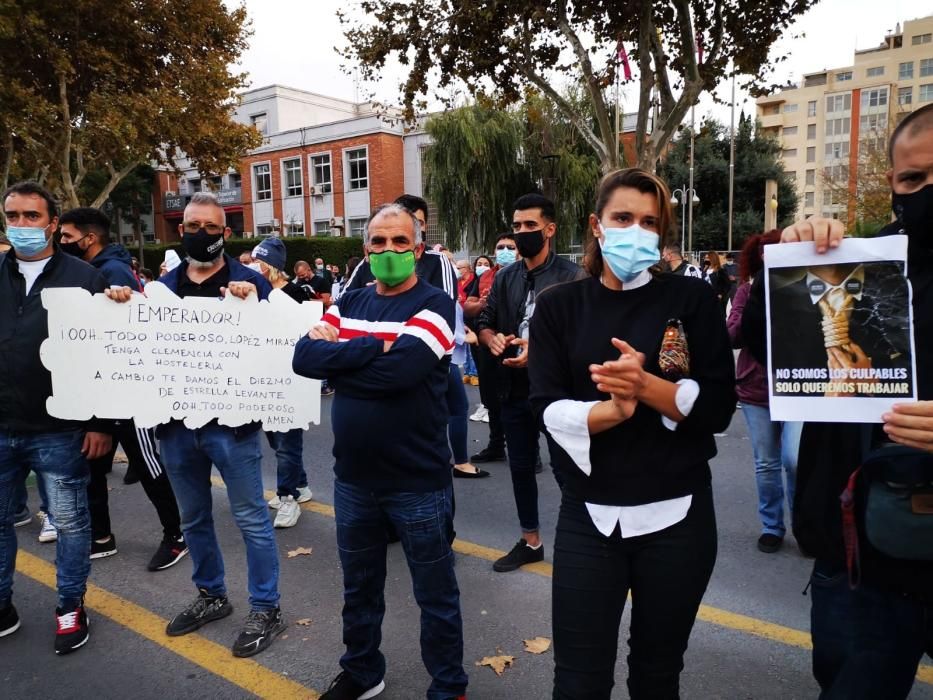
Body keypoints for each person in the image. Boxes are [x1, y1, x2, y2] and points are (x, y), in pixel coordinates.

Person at [741, 103, 933, 700]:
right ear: (893, 186)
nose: (926, 192)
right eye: (912, 180)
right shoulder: (860, 259)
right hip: (857, 559)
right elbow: (756, 340)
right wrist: (789, 267)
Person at [528, 168, 735, 698]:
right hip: (589, 516)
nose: (636, 231)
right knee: (578, 680)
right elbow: (545, 407)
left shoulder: (691, 300)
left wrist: (645, 386)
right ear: (597, 226)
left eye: (650, 221)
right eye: (623, 218)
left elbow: (718, 407)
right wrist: (611, 412)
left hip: (680, 518)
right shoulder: (558, 306)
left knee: (658, 673)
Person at [293, 202, 467, 700]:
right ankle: (362, 671)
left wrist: (343, 357)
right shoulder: (351, 299)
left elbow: (402, 374)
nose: (388, 250)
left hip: (418, 481)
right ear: (365, 249)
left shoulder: (437, 305)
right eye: (377, 242)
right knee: (359, 589)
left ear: (417, 248)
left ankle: (449, 685)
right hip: (352, 480)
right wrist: (376, 347)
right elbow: (304, 357)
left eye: (398, 242)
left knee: (436, 595)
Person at [107, 192, 285, 658]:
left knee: (250, 519)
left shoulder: (252, 282)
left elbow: (276, 346)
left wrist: (254, 303)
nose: (199, 234)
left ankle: (266, 607)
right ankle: (212, 596)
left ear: (225, 234)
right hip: (175, 426)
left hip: (234, 427)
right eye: (191, 226)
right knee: (193, 518)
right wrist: (119, 304)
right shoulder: (159, 290)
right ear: (180, 229)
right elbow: (135, 342)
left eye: (209, 227)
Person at [0, 181, 113, 653]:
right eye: (13, 216)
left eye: (31, 216)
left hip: (60, 430)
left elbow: (107, 357)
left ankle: (70, 606)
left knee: (70, 524)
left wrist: (102, 423)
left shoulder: (85, 279)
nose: (21, 225)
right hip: (1, 426)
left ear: (52, 223)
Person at [57, 207, 188, 570]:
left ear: (90, 237)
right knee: (93, 463)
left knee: (146, 463)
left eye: (67, 236)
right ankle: (101, 536)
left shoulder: (111, 272)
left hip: (128, 394)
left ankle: (176, 534)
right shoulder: (87, 270)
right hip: (98, 390)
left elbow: (125, 339)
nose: (62, 242)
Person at [476, 194, 586, 572]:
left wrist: (538, 352)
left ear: (550, 230)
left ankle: (579, 543)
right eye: (517, 226)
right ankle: (531, 541)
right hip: (513, 390)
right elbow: (486, 318)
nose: (522, 233)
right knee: (521, 468)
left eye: (530, 227)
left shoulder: (572, 277)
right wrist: (491, 337)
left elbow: (585, 339)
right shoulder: (505, 276)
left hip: (556, 393)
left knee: (566, 470)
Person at [726, 230, 801, 554]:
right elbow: (732, 335)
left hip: (798, 388)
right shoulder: (746, 290)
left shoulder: (804, 287)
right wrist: (757, 303)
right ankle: (772, 526)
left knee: (794, 459)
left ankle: (803, 525)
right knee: (767, 464)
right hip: (756, 390)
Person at [250, 237, 314, 528]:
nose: (251, 266)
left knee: (287, 443)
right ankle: (300, 485)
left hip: (292, 379)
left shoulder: (296, 293)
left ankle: (288, 497)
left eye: (256, 261)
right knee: (276, 440)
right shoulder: (253, 294)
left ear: (269, 266)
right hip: (264, 379)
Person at [341, 194, 457, 300]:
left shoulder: (437, 260)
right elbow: (342, 301)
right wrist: (373, 294)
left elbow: (447, 304)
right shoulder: (370, 261)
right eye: (379, 241)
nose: (389, 249)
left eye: (419, 223)